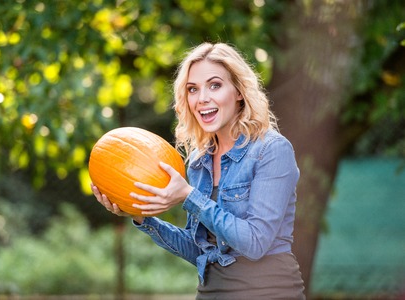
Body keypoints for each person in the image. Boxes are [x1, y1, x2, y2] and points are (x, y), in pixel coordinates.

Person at [91, 42, 305, 299]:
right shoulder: (198, 161)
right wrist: (139, 216)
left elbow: (255, 243)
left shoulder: (271, 150)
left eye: (215, 85)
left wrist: (190, 196)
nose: (202, 98)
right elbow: (200, 250)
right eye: (193, 89)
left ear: (238, 91)